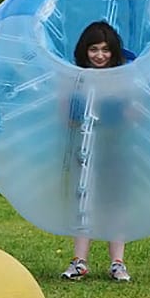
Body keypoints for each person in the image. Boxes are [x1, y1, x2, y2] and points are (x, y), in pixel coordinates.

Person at [60, 19, 131, 283]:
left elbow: (130, 117)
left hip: (114, 152)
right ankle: (79, 262)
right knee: (83, 203)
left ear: (113, 52)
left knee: (114, 205)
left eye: (105, 49)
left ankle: (117, 263)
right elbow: (67, 117)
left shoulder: (123, 80)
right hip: (85, 151)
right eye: (93, 50)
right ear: (84, 51)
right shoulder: (77, 80)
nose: (99, 55)